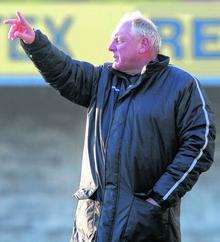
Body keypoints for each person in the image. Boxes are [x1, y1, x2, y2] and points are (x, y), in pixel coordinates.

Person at [4, 11, 216, 242]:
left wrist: (157, 200)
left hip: (148, 230)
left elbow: (200, 146)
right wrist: (34, 41)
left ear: (144, 44)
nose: (109, 47)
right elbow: (64, 70)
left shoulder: (182, 86)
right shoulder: (101, 79)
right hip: (92, 231)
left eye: (119, 40)